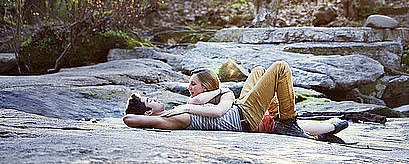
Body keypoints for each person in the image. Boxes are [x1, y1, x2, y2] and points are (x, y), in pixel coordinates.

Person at [123, 61, 348, 142]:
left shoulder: (177, 109)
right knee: (280, 68)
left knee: (259, 71)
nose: (153, 99)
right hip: (244, 117)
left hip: (241, 107)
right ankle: (287, 120)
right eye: (148, 101)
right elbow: (128, 119)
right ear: (149, 113)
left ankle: (280, 119)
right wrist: (152, 118)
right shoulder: (171, 119)